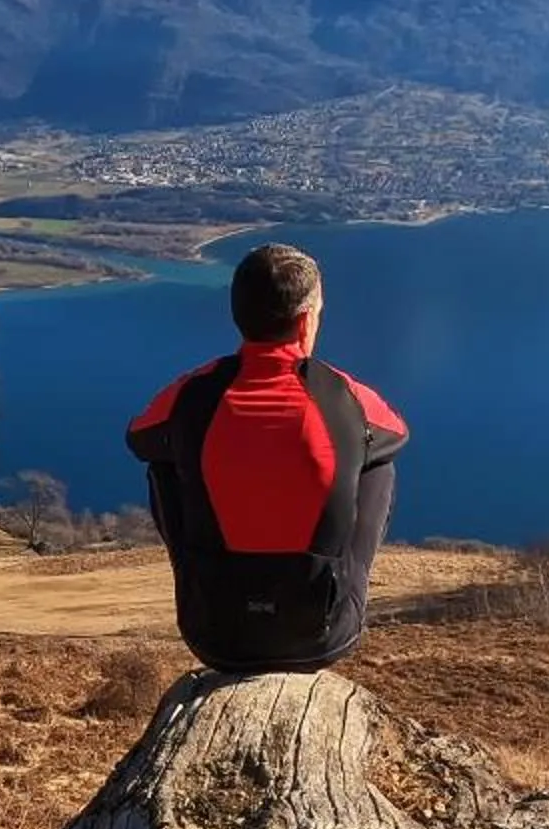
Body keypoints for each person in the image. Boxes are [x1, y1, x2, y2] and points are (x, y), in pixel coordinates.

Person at [127, 243, 409, 674]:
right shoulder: (344, 399)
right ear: (304, 322)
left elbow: (140, 437)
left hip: (214, 634)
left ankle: (203, 586)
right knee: (378, 467)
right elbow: (397, 434)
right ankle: (343, 593)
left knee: (164, 463)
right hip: (322, 636)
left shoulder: (194, 394)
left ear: (238, 315)